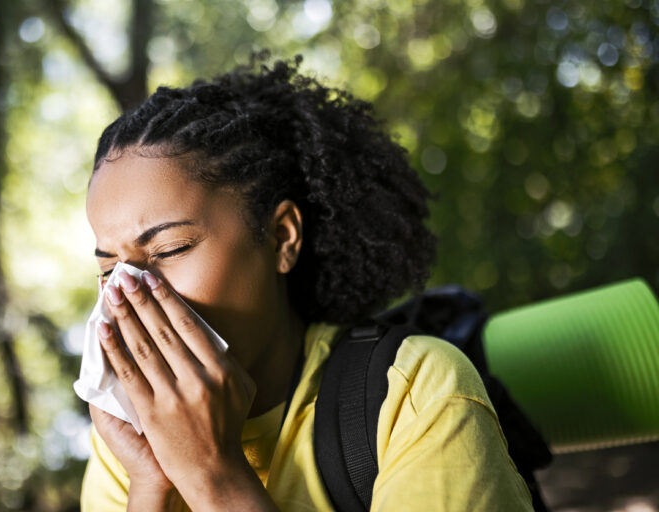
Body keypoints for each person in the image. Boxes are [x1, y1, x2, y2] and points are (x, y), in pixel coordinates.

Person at [80, 55, 534, 511]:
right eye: (108, 269)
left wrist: (209, 473)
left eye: (170, 250)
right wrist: (150, 485)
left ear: (281, 238)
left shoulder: (412, 392)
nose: (126, 295)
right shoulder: (125, 449)